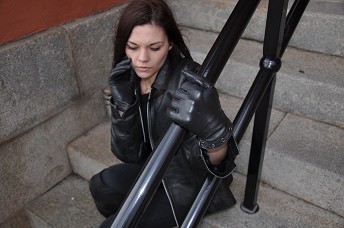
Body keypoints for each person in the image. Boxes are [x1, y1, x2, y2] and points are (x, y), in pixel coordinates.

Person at [89, 0, 239, 227]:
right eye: (133, 47)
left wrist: (215, 134)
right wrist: (124, 107)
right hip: (155, 166)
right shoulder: (130, 77)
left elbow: (218, 164)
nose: (142, 59)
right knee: (101, 187)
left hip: (188, 181)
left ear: (170, 44)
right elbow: (129, 154)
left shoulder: (190, 82)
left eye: (154, 47)